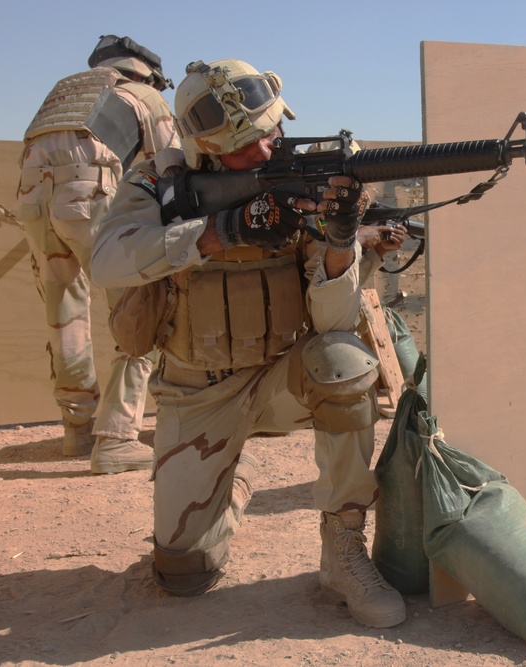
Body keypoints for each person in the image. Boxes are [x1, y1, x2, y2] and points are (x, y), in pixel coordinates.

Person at [90, 58, 408, 628]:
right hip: (197, 392)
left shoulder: (306, 182)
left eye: (271, 133)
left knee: (343, 360)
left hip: (282, 378)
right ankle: (229, 484)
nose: (265, 152)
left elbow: (332, 320)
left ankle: (343, 548)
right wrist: (222, 230)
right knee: (185, 574)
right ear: (204, 149)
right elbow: (107, 260)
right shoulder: (158, 183)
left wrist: (338, 244)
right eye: (245, 145)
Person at [15, 35, 179, 474]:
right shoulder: (141, 94)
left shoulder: (65, 90)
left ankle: (78, 430)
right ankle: (117, 438)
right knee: (141, 304)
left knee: (64, 310)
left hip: (33, 197)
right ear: (147, 74)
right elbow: (173, 167)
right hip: (91, 194)